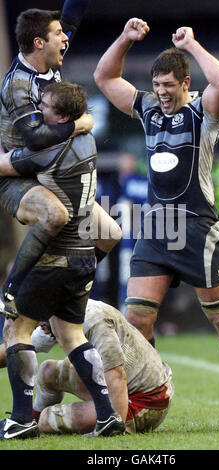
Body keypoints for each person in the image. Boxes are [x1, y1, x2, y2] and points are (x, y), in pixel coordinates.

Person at [93, 18, 219, 426]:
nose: (163, 93)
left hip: (198, 230)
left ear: (186, 83)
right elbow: (104, 76)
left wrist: (193, 45)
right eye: (158, 84)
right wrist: (125, 39)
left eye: (170, 84)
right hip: (155, 229)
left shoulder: (204, 111)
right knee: (136, 319)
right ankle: (152, 397)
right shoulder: (148, 107)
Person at [0, 81, 125, 440]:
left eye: (46, 107)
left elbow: (8, 165)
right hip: (84, 256)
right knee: (71, 334)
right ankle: (108, 415)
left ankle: (21, 420)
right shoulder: (85, 140)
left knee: (16, 331)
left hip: (54, 256)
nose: (38, 111)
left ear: (65, 117)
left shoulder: (52, 148)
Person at [0, 2, 121, 319]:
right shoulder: (17, 85)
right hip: (18, 176)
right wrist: (79, 124)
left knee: (109, 233)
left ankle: (64, 288)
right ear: (39, 43)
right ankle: (11, 289)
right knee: (55, 215)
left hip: (47, 171)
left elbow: (71, 18)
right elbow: (36, 139)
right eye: (57, 34)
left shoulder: (49, 61)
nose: (65, 38)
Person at [0, 299, 173, 434]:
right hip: (119, 383)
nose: (35, 325)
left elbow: (117, 376)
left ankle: (42, 421)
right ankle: (32, 422)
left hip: (145, 400)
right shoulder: (57, 316)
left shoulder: (95, 320)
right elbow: (12, 351)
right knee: (48, 371)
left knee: (49, 419)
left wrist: (111, 425)